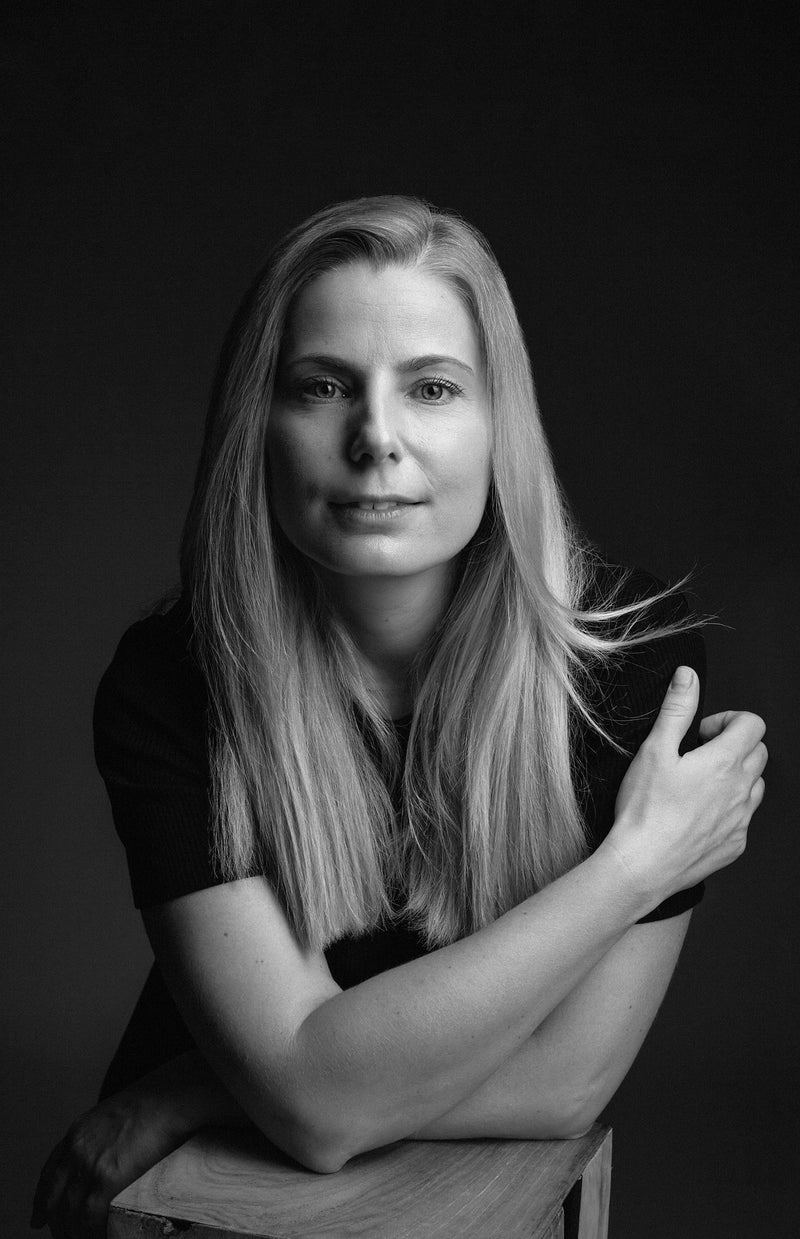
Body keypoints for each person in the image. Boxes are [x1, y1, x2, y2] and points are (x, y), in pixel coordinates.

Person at [32, 196, 766, 1238]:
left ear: (499, 423)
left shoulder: (629, 665)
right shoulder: (173, 682)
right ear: (257, 423)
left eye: (431, 387)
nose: (375, 438)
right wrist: (635, 868)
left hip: (291, 1137)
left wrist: (200, 1083)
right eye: (322, 386)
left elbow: (567, 1083)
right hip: (203, 1189)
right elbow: (310, 1109)